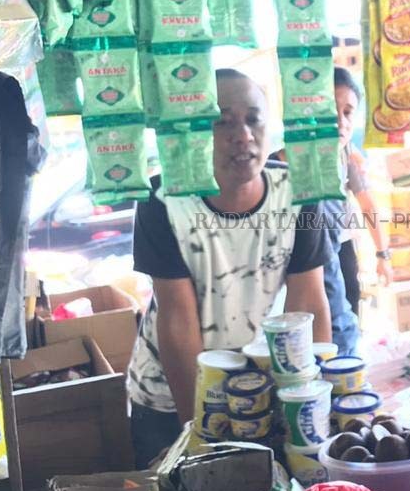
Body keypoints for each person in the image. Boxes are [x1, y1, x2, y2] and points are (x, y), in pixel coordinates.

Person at [127, 68, 333, 467]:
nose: (243, 136)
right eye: (222, 122)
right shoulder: (163, 199)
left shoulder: (299, 193)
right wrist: (198, 438)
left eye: (253, 119)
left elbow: (309, 306)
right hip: (169, 398)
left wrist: (309, 408)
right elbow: (178, 321)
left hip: (258, 393)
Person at [329, 67, 393, 313]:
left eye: (347, 113)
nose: (341, 122)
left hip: (341, 249)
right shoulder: (287, 158)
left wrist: (383, 255)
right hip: (305, 256)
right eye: (332, 110)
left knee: (350, 310)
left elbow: (367, 205)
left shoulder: (347, 155)